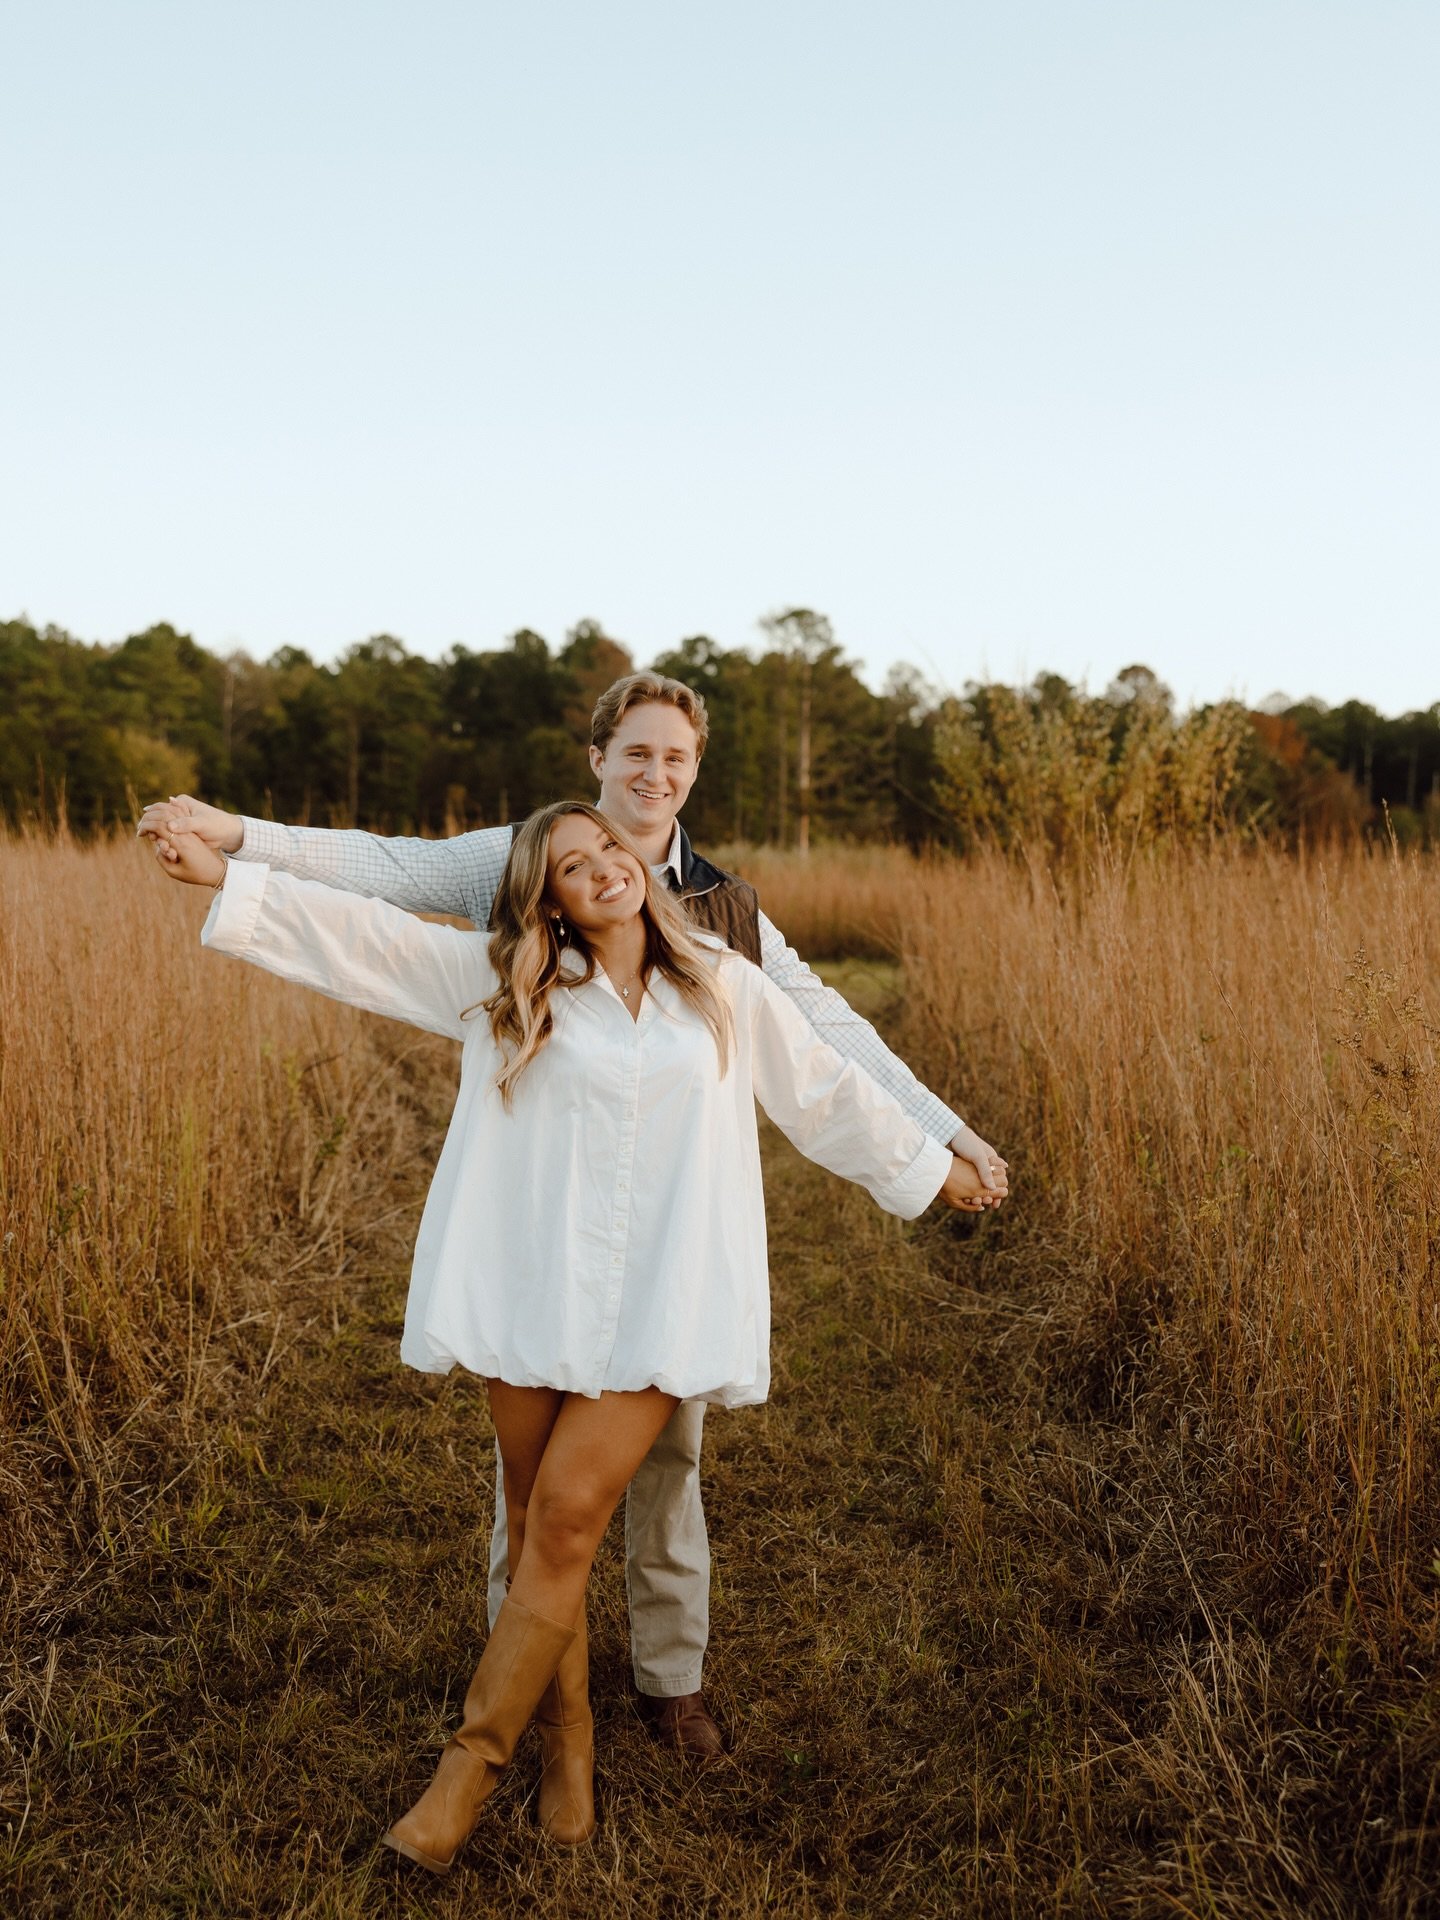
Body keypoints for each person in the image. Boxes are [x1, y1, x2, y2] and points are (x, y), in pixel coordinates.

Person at [138, 669, 1008, 1757]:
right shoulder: (524, 888)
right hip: (549, 1232)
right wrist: (233, 845)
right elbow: (381, 893)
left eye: (675, 758)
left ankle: (669, 1677)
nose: (654, 776)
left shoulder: (726, 924)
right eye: (635, 753)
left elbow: (826, 1044)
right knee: (540, 1484)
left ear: (695, 773)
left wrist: (942, 1142)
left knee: (668, 1461)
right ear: (597, 762)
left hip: (672, 1244)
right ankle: (530, 1675)